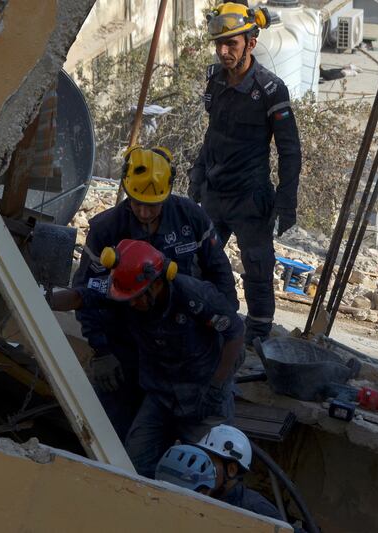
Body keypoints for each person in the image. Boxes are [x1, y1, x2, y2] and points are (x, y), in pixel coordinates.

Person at [73, 145, 237, 441]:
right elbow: (88, 291)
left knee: (199, 441)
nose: (145, 213)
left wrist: (221, 327)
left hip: (184, 346)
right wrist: (102, 350)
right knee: (114, 434)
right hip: (127, 345)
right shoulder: (106, 229)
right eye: (137, 204)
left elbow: (220, 273)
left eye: (154, 205)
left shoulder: (191, 218)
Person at [52, 239, 244, 478]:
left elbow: (235, 333)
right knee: (132, 467)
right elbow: (80, 297)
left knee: (210, 475)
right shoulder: (122, 288)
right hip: (161, 394)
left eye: (138, 296)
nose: (132, 303)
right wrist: (42, 298)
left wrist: (216, 385)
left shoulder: (194, 296)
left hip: (203, 397)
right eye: (128, 297)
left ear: (157, 283)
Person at [189, 2, 302, 345]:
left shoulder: (270, 89)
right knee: (199, 264)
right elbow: (213, 135)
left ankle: (257, 338)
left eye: (232, 44)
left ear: (250, 43)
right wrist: (197, 175)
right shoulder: (214, 80)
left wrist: (286, 202)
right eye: (219, 44)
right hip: (214, 194)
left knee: (257, 267)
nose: (224, 51)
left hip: (250, 199)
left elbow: (289, 149)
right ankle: (204, 326)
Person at [195, 425, 283, 520]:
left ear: (231, 470)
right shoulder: (203, 493)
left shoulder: (256, 508)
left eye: (208, 462)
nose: (200, 467)